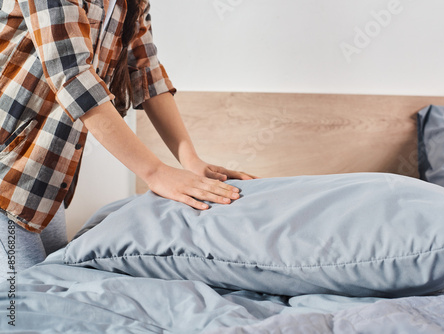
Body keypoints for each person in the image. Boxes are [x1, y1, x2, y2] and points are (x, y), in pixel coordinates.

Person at [0, 0, 255, 279]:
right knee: (22, 299)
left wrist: (190, 160)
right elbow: (72, 75)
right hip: (7, 167)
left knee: (51, 288)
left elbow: (147, 72)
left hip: (46, 174)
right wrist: (156, 173)